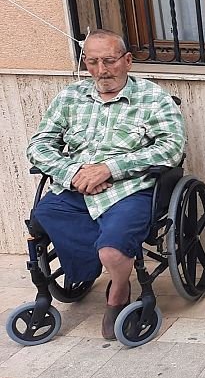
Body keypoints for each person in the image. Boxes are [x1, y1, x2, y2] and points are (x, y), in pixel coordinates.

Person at [26, 29, 185, 340]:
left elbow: (171, 147)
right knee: (45, 214)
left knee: (113, 250)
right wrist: (73, 173)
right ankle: (87, 269)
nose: (102, 70)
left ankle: (119, 290)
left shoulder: (153, 98)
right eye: (93, 62)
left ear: (127, 61)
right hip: (76, 186)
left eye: (110, 61)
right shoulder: (70, 97)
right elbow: (39, 145)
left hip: (130, 189)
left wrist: (109, 169)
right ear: (85, 63)